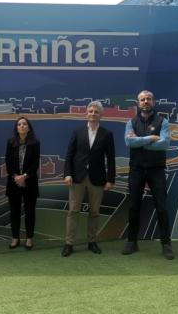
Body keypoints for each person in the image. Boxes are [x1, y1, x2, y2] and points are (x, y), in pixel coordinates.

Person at [122, 90, 175, 260]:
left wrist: (141, 142)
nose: (146, 101)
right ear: (138, 103)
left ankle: (166, 244)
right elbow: (128, 141)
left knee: (162, 207)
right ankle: (132, 241)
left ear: (153, 102)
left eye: (148, 99)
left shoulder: (163, 121)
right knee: (133, 206)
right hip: (136, 169)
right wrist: (151, 138)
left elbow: (164, 143)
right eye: (142, 99)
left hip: (156, 169)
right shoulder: (131, 122)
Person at [62, 101, 115, 257]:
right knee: (73, 211)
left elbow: (111, 159)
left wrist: (110, 179)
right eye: (90, 111)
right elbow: (69, 155)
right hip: (77, 177)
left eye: (96, 112)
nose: (93, 114)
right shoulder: (77, 132)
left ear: (101, 115)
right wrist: (67, 173)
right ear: (86, 113)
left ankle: (92, 242)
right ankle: (69, 243)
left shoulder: (107, 134)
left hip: (98, 179)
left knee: (94, 212)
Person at [5, 117, 40, 250]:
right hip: (13, 182)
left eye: (24, 124)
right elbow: (8, 162)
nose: (22, 126)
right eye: (19, 124)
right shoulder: (11, 142)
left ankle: (29, 238)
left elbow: (35, 163)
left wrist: (24, 177)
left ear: (29, 127)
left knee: (30, 211)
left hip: (30, 182)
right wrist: (16, 177)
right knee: (14, 211)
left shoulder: (35, 143)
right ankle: (15, 238)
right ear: (16, 128)